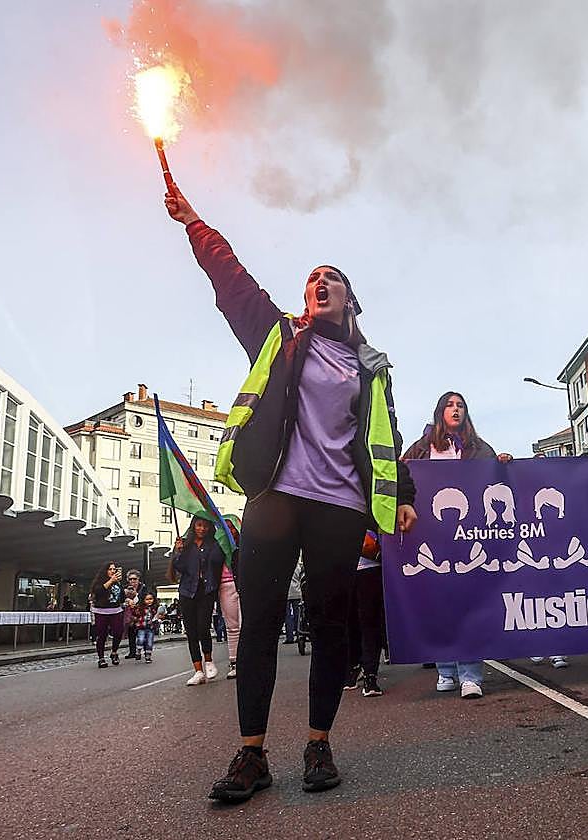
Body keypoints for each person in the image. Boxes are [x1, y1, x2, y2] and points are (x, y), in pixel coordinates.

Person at [166, 184, 417, 802]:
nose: (321, 283)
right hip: (276, 498)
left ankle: (318, 744)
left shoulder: (370, 367)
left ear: (349, 300)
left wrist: (403, 490)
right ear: (306, 301)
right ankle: (252, 755)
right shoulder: (280, 338)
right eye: (312, 280)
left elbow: (384, 437)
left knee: (332, 626)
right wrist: (196, 222)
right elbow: (233, 284)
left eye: (332, 278)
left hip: (338, 507)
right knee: (258, 627)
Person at [403, 391, 510, 700]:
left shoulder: (478, 448)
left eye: (460, 405)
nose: (455, 410)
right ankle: (446, 669)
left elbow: (496, 480)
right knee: (439, 606)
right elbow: (400, 473)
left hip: (468, 537)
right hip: (432, 537)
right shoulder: (423, 448)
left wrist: (502, 462)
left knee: (467, 605)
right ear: (440, 412)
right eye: (449, 405)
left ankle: (471, 675)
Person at [170, 516, 226, 686]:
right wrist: (178, 551)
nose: (202, 529)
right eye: (199, 525)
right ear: (193, 526)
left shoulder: (213, 544)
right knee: (191, 632)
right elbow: (179, 567)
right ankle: (198, 671)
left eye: (205, 526)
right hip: (187, 591)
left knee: (203, 627)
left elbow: (218, 561)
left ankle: (208, 660)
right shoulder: (187, 546)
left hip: (206, 591)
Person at [345, 530, 386, 697]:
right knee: (365, 623)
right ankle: (367, 674)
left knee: (358, 623)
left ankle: (360, 672)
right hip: (367, 566)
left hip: (357, 568)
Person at [90, 562, 126, 668]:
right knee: (102, 635)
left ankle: (114, 652)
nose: (113, 571)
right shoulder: (100, 582)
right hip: (102, 611)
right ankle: (101, 658)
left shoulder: (117, 583)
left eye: (114, 569)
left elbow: (121, 596)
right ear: (105, 571)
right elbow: (98, 591)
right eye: (110, 569)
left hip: (115, 610)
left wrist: (127, 598)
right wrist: (111, 581)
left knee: (118, 632)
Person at [220, 515, 243, 680]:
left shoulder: (246, 545)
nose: (230, 531)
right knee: (232, 627)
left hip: (246, 586)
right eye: (226, 527)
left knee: (247, 625)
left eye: (232, 527)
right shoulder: (218, 546)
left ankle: (250, 661)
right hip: (225, 586)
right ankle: (234, 663)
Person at [124, 569, 148, 660]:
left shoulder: (143, 588)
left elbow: (147, 598)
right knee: (131, 633)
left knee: (142, 633)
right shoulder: (126, 588)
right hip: (130, 614)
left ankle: (146, 651)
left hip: (140, 613)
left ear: (138, 579)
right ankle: (132, 652)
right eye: (130, 579)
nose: (132, 581)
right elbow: (122, 599)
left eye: (134, 579)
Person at [132, 592, 161, 663]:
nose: (149, 601)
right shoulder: (140, 607)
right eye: (147, 599)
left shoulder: (155, 608)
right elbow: (134, 613)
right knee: (140, 639)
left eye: (151, 599)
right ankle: (138, 651)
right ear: (143, 600)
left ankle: (148, 656)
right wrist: (136, 621)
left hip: (151, 628)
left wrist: (159, 618)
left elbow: (159, 615)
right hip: (141, 627)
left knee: (149, 642)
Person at [284, 560, 303, 646]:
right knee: (297, 615)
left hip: (287, 593)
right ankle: (299, 635)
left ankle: (289, 637)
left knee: (287, 616)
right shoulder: (297, 567)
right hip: (297, 592)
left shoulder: (283, 566)